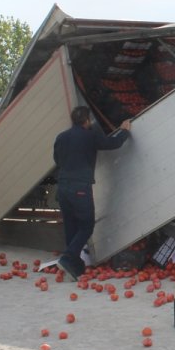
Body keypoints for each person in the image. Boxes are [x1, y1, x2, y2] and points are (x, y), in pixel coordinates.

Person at [53, 106, 131, 280]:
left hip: (63, 187)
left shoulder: (61, 137)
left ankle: (74, 266)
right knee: (86, 225)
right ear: (87, 120)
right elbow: (112, 144)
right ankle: (67, 258)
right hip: (80, 188)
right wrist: (124, 131)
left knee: (71, 226)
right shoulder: (90, 135)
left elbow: (57, 160)